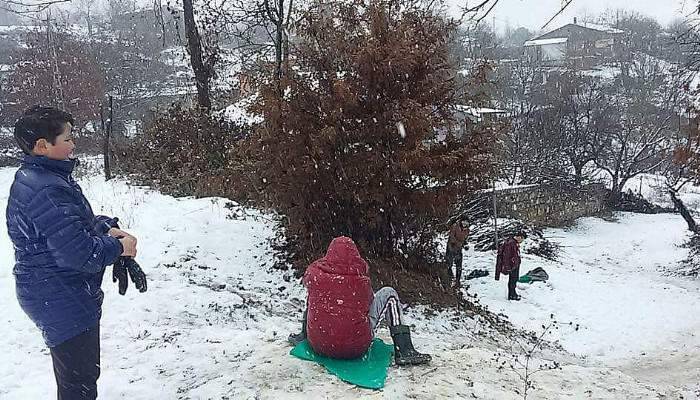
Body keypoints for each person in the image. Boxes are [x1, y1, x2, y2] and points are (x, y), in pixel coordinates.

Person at [6, 106, 145, 399]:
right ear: (43, 146)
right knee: (79, 384)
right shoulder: (46, 188)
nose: (73, 144)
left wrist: (104, 228)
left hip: (54, 291)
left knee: (77, 379)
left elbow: (67, 229)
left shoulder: (43, 178)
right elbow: (81, 255)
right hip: (59, 296)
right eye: (67, 138)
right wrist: (120, 247)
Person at [288, 236, 431, 366]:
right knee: (389, 294)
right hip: (355, 348)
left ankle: (304, 335)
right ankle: (405, 350)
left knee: (317, 294)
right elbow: (367, 305)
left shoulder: (315, 274)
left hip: (319, 345)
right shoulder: (361, 281)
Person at [495, 231, 526, 301]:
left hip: (515, 264)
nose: (522, 241)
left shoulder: (514, 242)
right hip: (512, 266)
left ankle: (513, 293)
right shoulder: (510, 243)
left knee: (514, 279)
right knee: (512, 280)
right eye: (522, 239)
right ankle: (512, 295)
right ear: (519, 237)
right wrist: (508, 267)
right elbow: (506, 256)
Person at [445, 216, 469, 287]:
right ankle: (448, 279)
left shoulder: (467, 230)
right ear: (461, 221)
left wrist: (465, 244)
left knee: (459, 266)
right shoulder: (455, 226)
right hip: (451, 247)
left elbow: (464, 239)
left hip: (459, 249)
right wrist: (459, 243)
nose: (465, 223)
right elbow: (452, 237)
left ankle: (458, 282)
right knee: (449, 263)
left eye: (467, 222)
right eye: (464, 221)